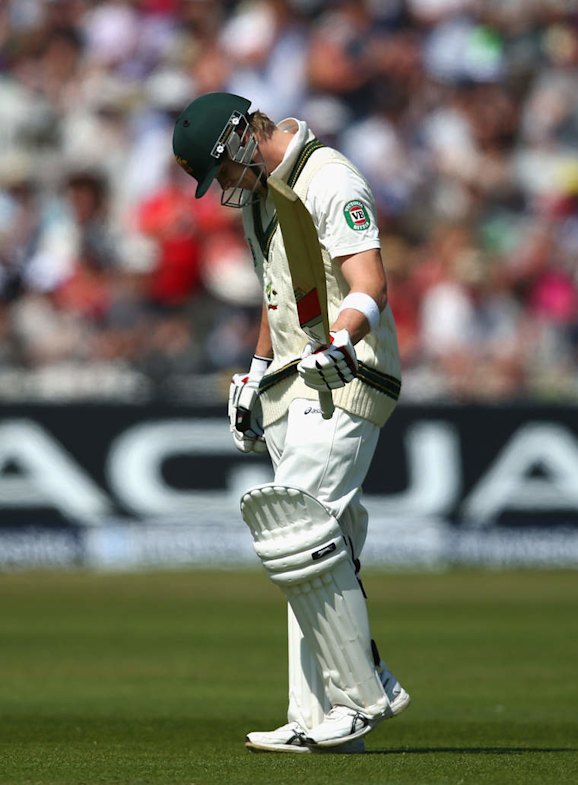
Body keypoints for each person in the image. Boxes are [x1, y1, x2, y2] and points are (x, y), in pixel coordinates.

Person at [172, 92, 410, 753]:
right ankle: (314, 716)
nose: (221, 186)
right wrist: (252, 371)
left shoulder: (329, 176)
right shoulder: (260, 196)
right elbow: (277, 294)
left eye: (219, 168)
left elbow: (370, 282)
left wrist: (339, 339)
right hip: (293, 380)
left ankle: (366, 694)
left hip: (345, 374)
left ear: (244, 137)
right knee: (316, 553)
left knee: (297, 532)